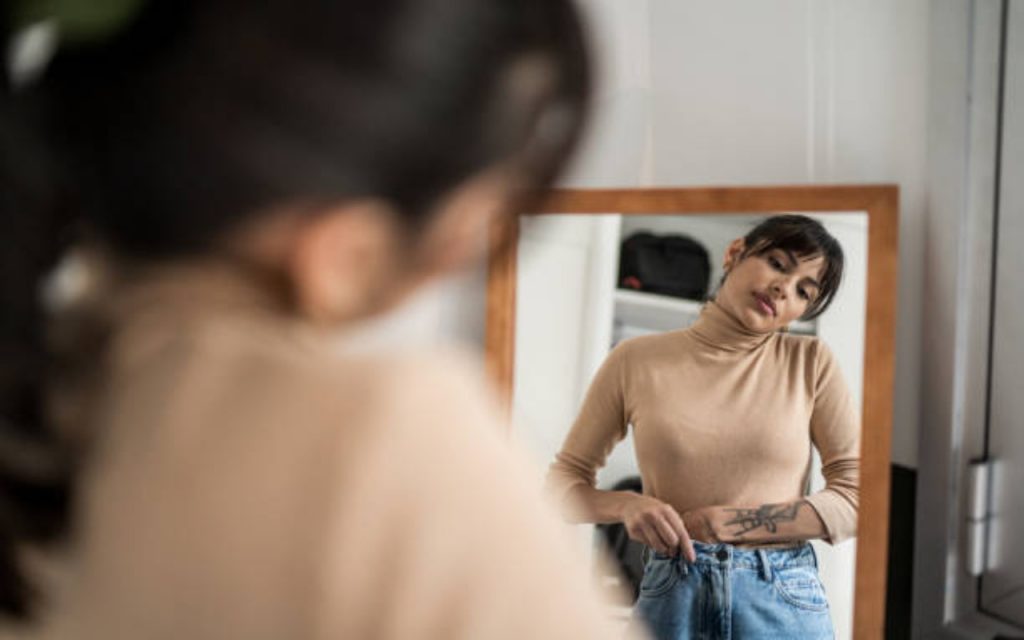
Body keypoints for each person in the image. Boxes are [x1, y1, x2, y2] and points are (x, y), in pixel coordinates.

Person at [0, 1, 638, 638]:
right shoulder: (382, 433)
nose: (457, 265)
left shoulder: (43, 386)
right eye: (470, 237)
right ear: (345, 255)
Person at [547, 215, 860, 639]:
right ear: (734, 253)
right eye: (777, 263)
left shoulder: (811, 363)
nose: (783, 288)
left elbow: (856, 499)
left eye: (804, 291)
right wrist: (626, 505)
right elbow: (560, 489)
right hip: (673, 593)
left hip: (780, 597)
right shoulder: (633, 360)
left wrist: (729, 523)